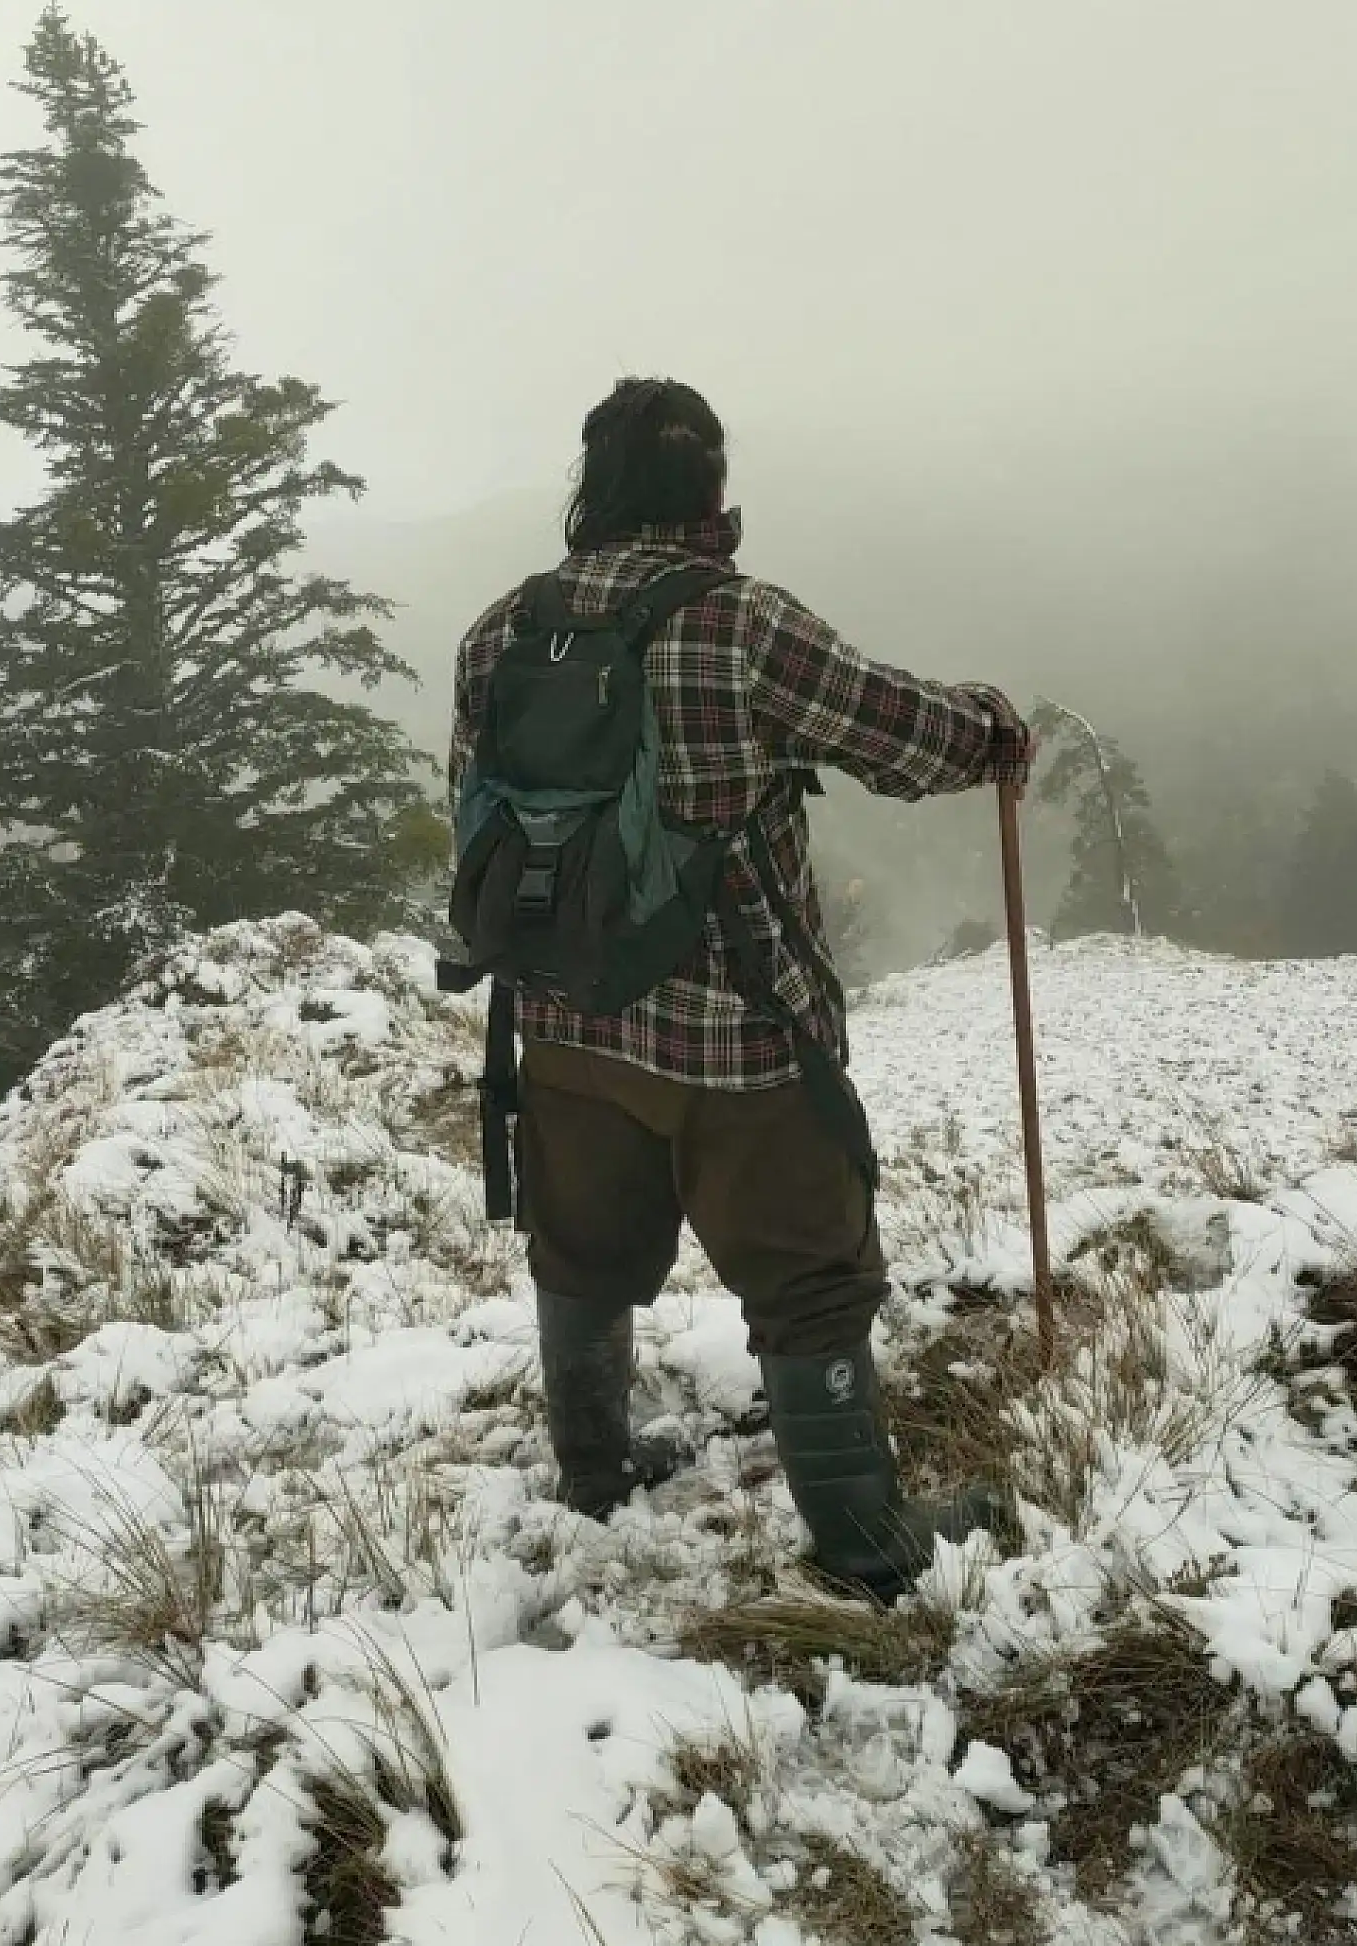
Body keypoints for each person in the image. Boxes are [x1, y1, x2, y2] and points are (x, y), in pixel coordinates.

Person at [450, 377, 1033, 1600]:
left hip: (562, 1018)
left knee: (582, 1251)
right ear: (711, 489)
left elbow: (481, 817)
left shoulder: (499, 632)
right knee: (809, 1277)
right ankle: (865, 1542)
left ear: (588, 487)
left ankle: (595, 1471)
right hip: (739, 1036)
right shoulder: (741, 625)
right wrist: (989, 724)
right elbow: (906, 737)